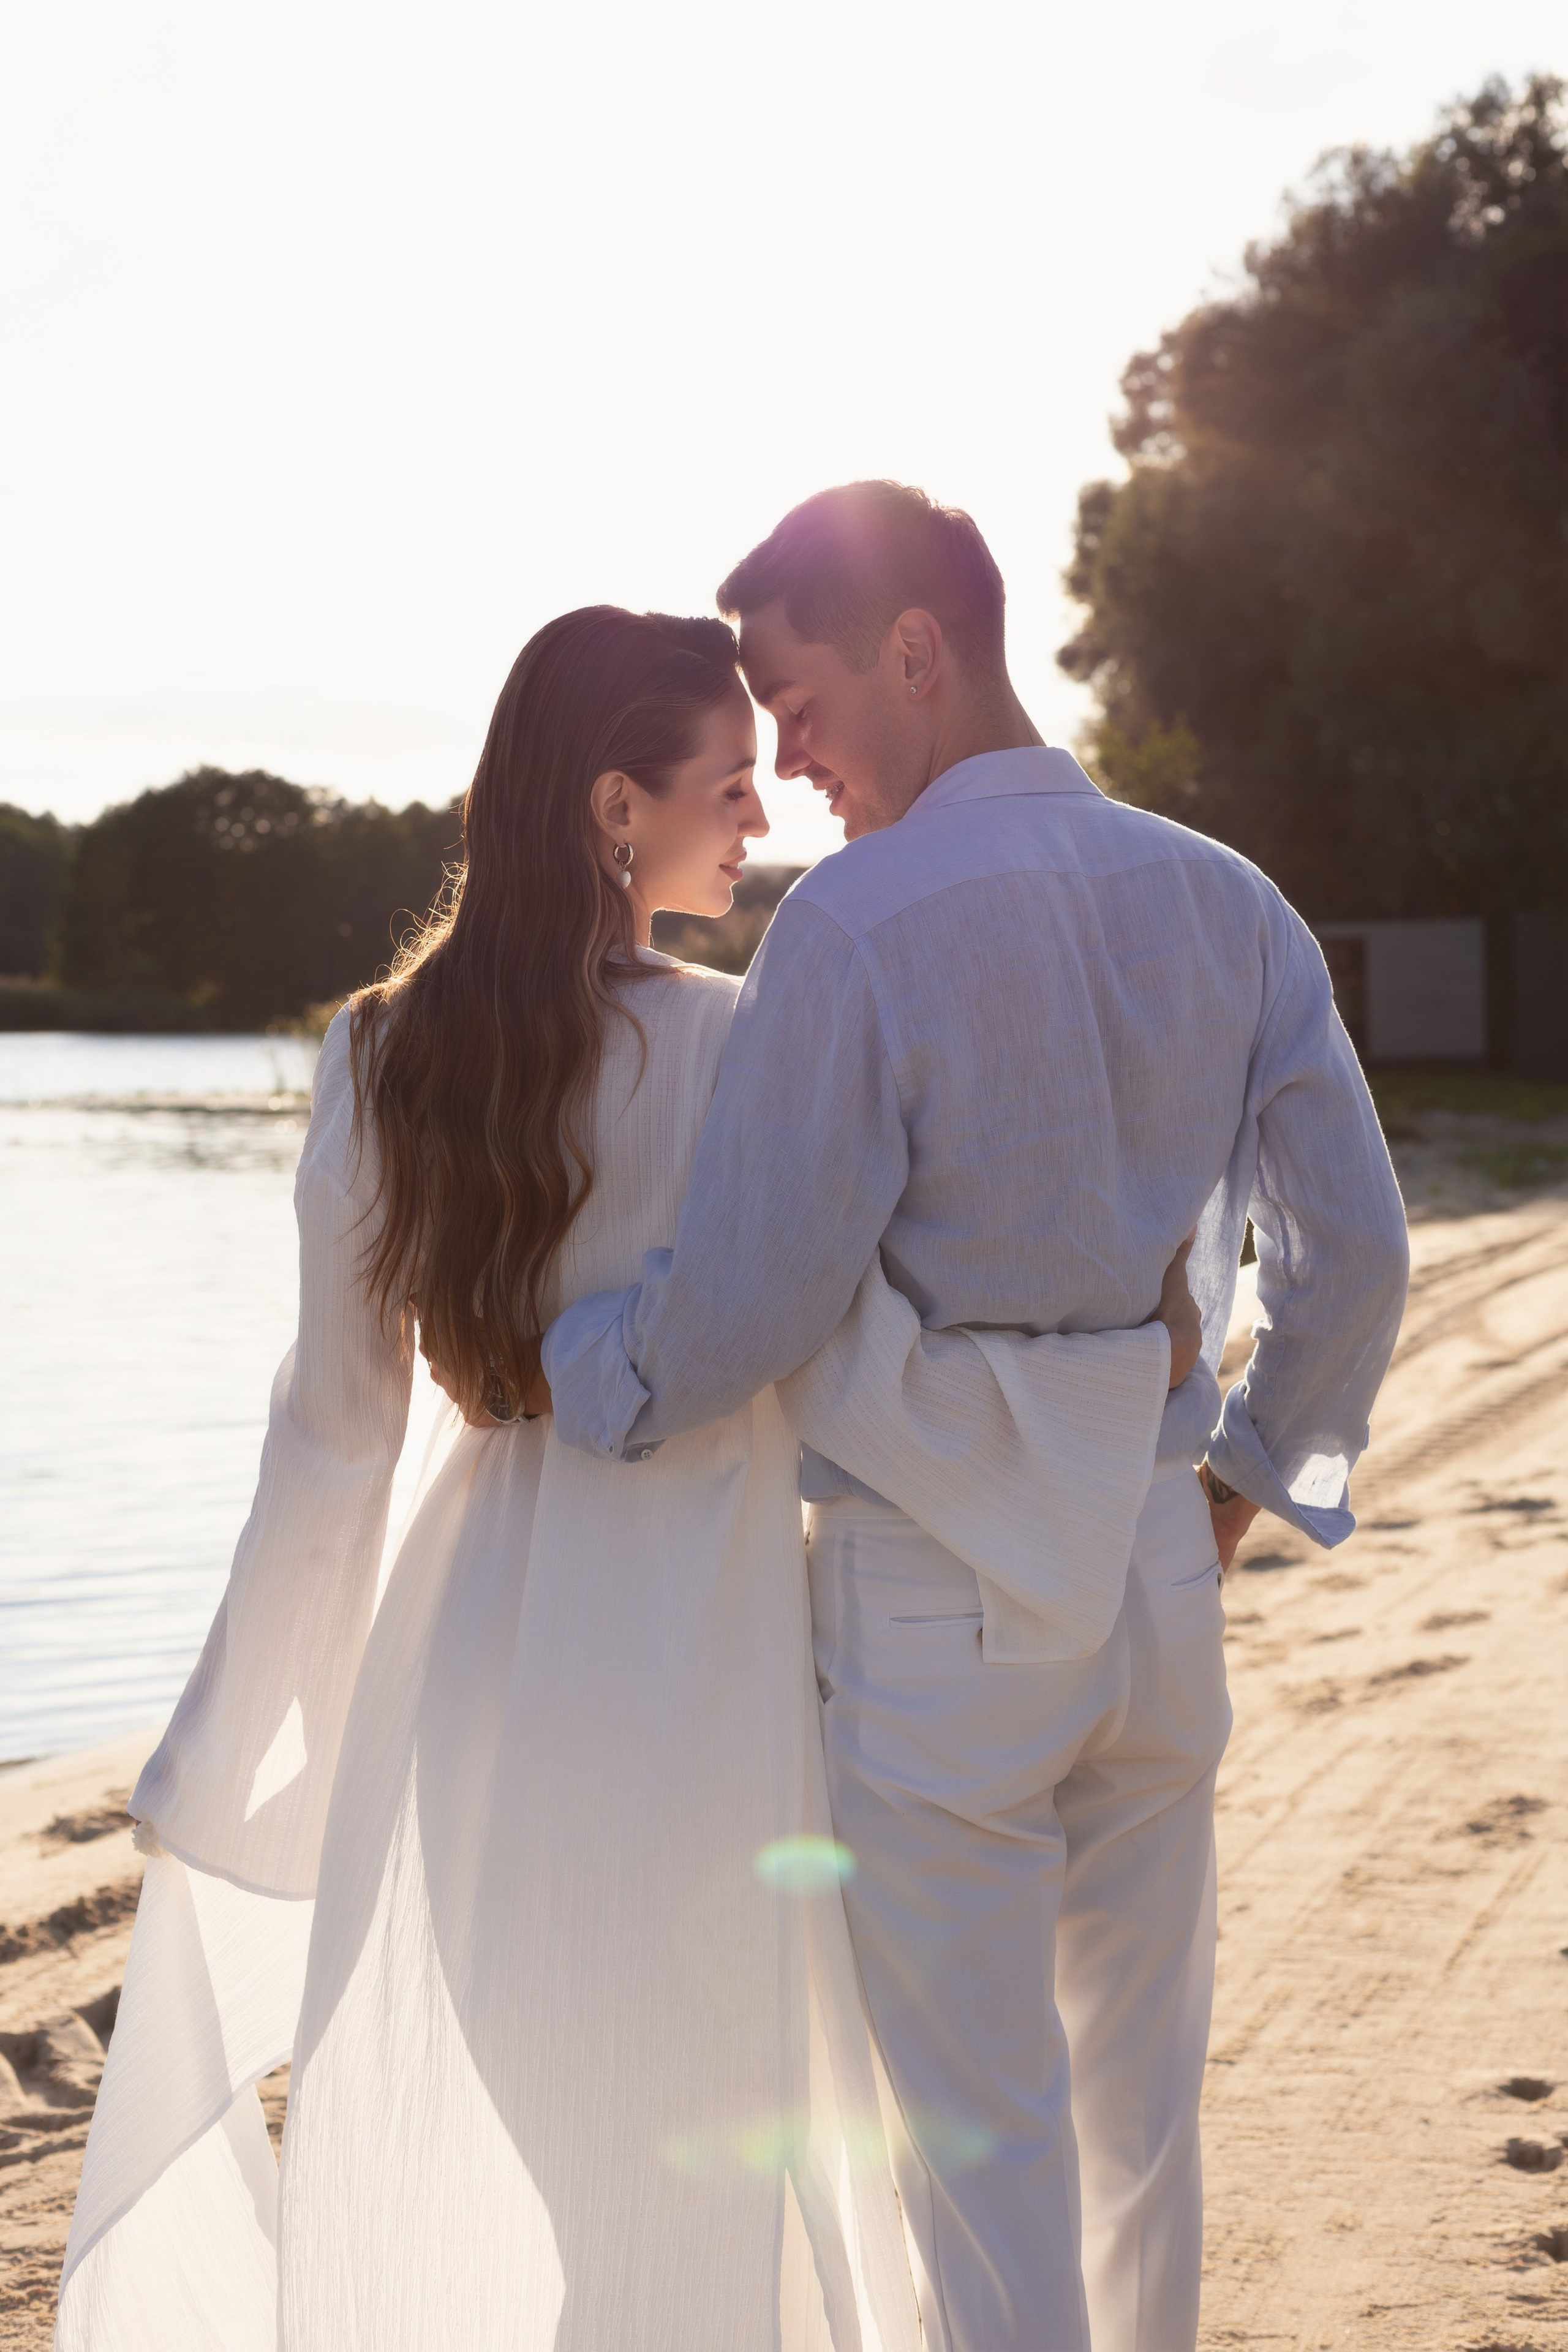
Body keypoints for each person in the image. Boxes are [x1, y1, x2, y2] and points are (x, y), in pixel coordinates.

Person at [57, 603, 1202, 2352]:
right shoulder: (751, 1043)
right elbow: (848, 1357)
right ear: (615, 808)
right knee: (713, 2162)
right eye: (729, 784)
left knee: (565, 2146)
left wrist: (229, 1739)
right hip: (712, 1648)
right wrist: (1117, 1382)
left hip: (475, 1661)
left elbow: (333, 1438)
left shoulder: (375, 1053)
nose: (764, 816)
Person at [542, 484, 1411, 2352]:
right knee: (1138, 2134)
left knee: (982, 2151)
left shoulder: (853, 926)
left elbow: (752, 1298)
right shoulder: (1232, 899)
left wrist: (574, 1366)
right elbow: (1356, 1250)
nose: (789, 760)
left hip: (937, 1609)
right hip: (1156, 1581)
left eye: (801, 704)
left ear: (918, 650)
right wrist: (1242, 1486)